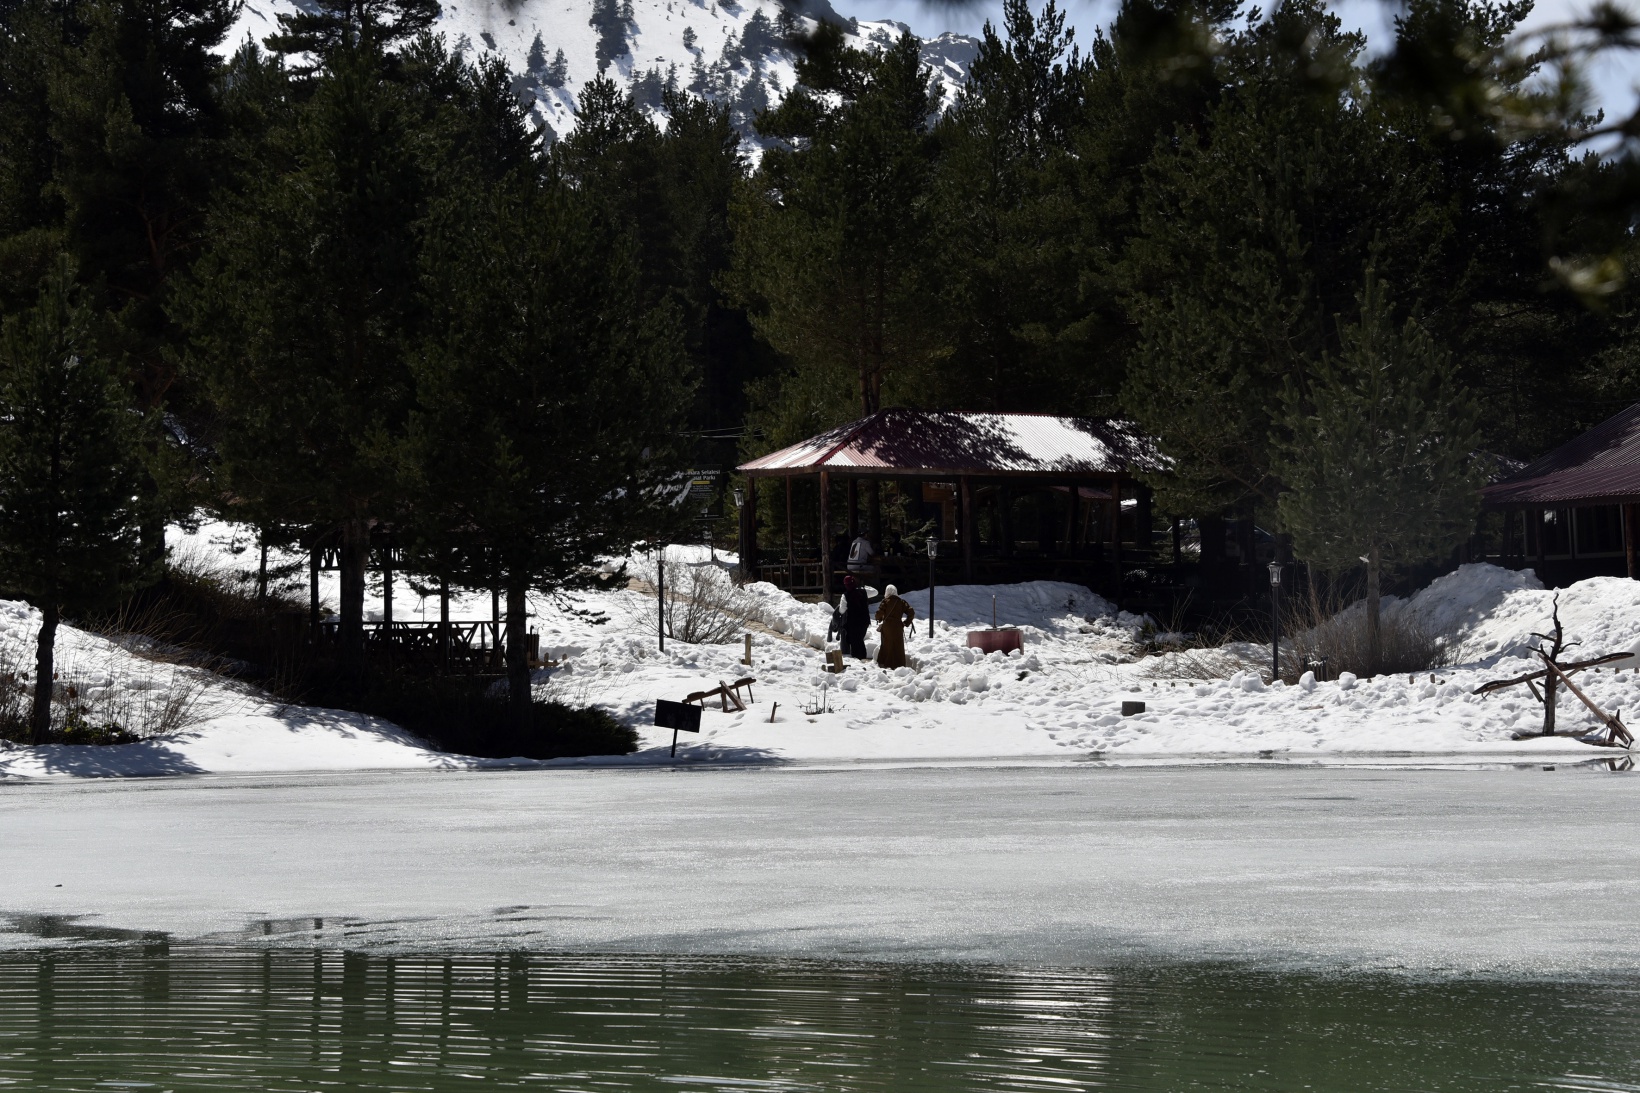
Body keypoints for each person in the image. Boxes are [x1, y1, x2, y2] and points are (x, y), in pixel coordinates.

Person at [874, 584, 916, 670]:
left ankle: (886, 664)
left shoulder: (885, 601)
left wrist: (879, 618)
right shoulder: (901, 602)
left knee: (887, 645)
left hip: (887, 627)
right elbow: (911, 612)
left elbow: (878, 614)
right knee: (898, 646)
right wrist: (906, 623)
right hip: (898, 627)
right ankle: (899, 665)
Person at [837, 575, 878, 660]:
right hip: (864, 621)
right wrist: (864, 586)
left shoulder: (845, 596)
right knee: (860, 639)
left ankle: (858, 658)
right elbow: (875, 592)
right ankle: (861, 657)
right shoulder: (864, 592)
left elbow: (841, 610)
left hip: (853, 623)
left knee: (855, 642)